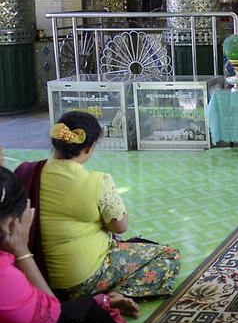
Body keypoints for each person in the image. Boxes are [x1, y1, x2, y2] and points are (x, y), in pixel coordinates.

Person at [38, 112, 181, 300]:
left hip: (42, 278)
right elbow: (119, 227)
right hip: (84, 278)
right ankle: (115, 296)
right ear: (90, 147)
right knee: (169, 256)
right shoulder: (97, 181)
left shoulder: (30, 172)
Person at [0, 164, 135, 323]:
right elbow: (45, 321)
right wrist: (22, 251)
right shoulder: (4, 274)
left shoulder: (30, 170)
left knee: (88, 307)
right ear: (11, 224)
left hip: (59, 287)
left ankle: (102, 300)